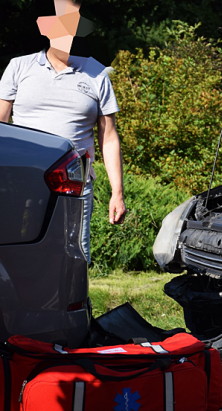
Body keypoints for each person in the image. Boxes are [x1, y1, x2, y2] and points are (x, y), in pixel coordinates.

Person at [0, 0, 126, 262]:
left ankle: (73, 302)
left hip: (73, 183)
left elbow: (109, 137)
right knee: (20, 254)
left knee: (74, 253)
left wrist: (118, 192)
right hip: (23, 180)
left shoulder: (97, 74)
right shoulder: (19, 67)